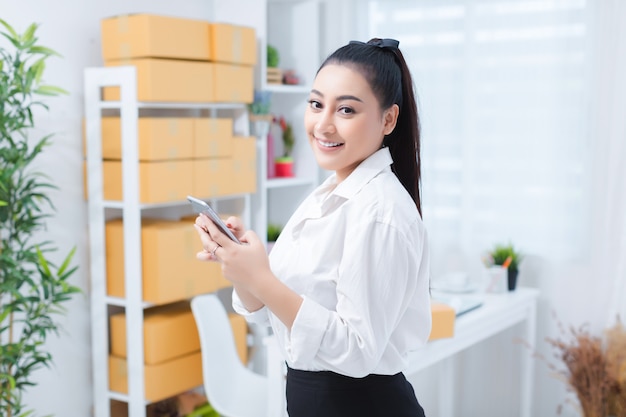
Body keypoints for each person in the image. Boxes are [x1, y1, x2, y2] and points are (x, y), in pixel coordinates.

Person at [194, 37, 432, 417]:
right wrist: (243, 268)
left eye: (346, 110)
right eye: (316, 104)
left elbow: (356, 351)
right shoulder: (327, 194)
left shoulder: (379, 212)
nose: (323, 124)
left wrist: (261, 278)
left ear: (388, 119)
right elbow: (265, 310)